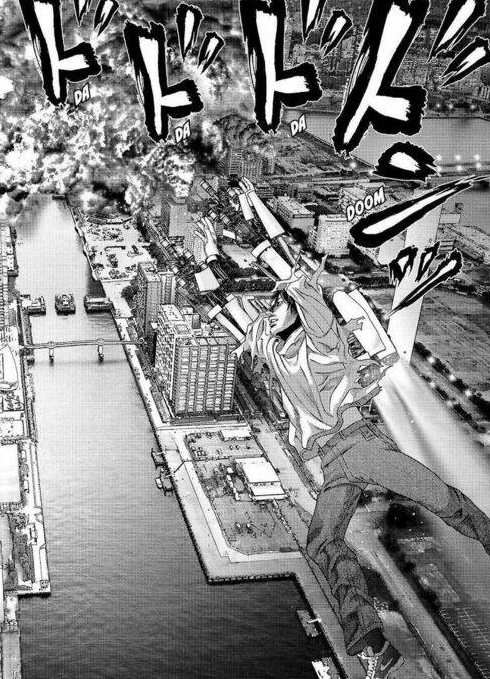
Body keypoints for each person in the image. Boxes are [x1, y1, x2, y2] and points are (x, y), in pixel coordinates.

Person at [194, 180, 490, 679]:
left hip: (360, 445)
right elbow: (222, 305)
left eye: (277, 303)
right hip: (336, 463)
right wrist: (206, 256)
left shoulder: (322, 338)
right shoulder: (274, 349)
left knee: (443, 500)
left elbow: (289, 267)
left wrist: (255, 214)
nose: (268, 308)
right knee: (322, 543)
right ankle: (372, 643)